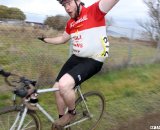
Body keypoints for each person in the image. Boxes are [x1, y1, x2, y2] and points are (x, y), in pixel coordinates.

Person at [38, 0, 119, 128]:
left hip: (94, 59)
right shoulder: (71, 23)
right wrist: (45, 40)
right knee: (56, 88)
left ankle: (71, 113)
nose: (67, 8)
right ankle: (62, 122)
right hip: (77, 57)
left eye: (69, 3)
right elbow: (62, 39)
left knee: (64, 85)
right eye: (64, 5)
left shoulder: (94, 11)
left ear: (78, 1)